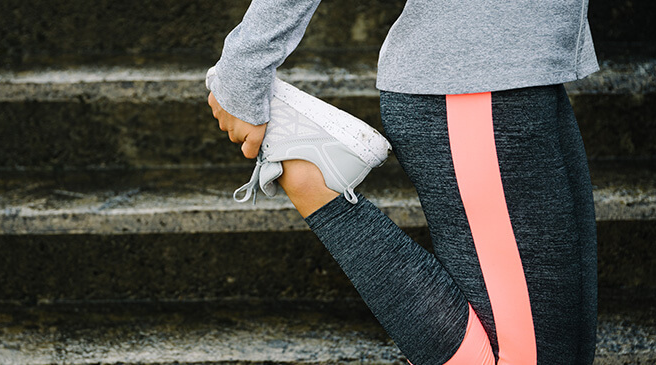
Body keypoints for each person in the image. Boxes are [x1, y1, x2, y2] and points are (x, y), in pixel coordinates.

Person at [206, 0, 599, 364]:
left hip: (529, 76)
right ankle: (307, 174)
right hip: (472, 83)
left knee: (565, 351)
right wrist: (243, 68)